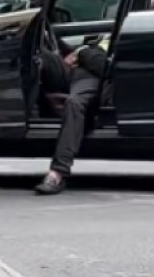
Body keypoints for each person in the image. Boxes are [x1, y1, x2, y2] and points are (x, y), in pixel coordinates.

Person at [33, 34, 109, 195]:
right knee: (37, 47)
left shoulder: (132, 34)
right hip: (73, 71)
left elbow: (104, 66)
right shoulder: (104, 37)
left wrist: (81, 53)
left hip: (91, 77)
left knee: (74, 103)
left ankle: (57, 173)